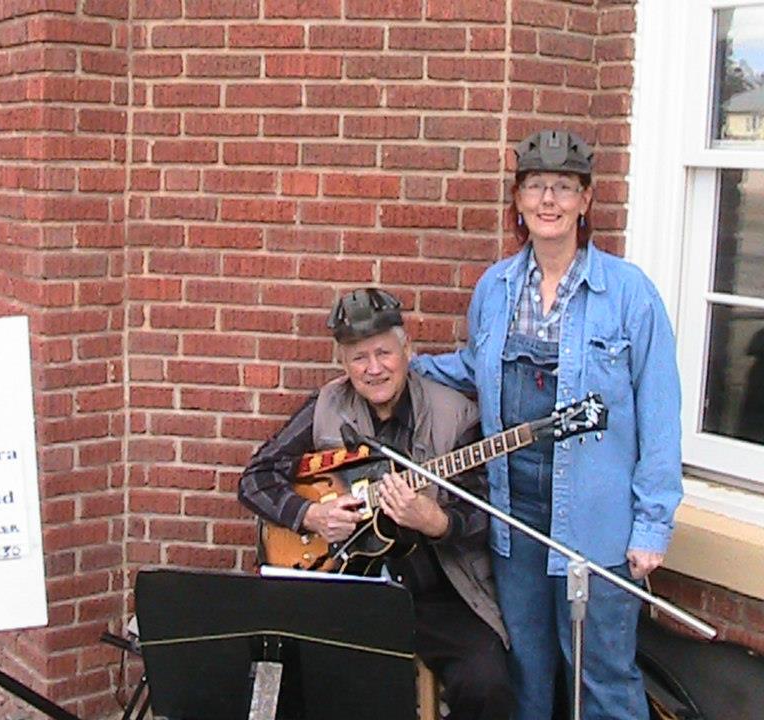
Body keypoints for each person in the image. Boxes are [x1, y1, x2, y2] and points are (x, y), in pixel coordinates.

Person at [411, 129, 683, 720]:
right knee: (527, 673)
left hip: (597, 524)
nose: (549, 200)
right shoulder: (496, 289)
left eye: (564, 187)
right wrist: (402, 368)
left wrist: (651, 526)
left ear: (586, 200)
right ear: (518, 200)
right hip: (515, 520)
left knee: (602, 676)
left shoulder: (629, 294)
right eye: (536, 186)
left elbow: (660, 413)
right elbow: (475, 368)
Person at [238, 288, 512, 720]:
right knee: (284, 672)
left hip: (435, 595)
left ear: (407, 350)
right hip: (346, 589)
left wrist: (437, 521)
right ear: (343, 365)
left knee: (488, 682)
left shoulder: (455, 414)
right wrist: (311, 514)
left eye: (384, 353)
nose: (373, 368)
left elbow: (483, 515)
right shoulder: (326, 406)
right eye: (359, 358)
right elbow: (256, 478)